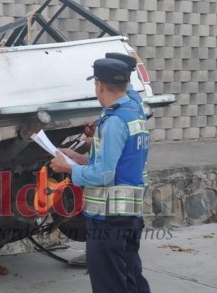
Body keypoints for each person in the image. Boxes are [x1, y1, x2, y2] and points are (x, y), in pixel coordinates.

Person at [51, 57, 151, 293]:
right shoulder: (133, 111)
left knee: (109, 285)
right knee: (131, 280)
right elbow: (115, 164)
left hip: (108, 220)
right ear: (126, 82)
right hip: (128, 216)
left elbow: (103, 175)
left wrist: (69, 169)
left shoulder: (114, 121)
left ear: (99, 85)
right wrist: (78, 158)